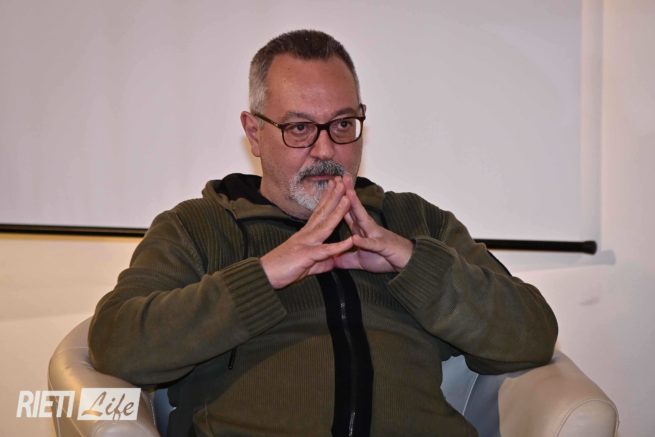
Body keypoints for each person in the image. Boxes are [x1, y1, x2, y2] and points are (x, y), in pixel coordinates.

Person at [89, 29, 558, 437]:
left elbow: (533, 332)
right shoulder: (198, 227)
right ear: (254, 133)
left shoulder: (415, 221)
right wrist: (263, 277)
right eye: (299, 128)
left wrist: (412, 263)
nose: (326, 150)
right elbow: (116, 343)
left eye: (342, 124)